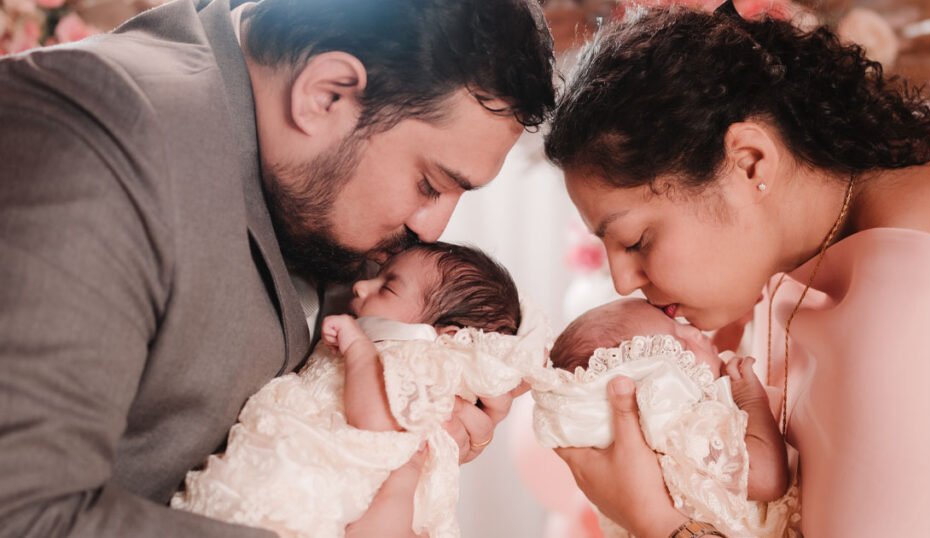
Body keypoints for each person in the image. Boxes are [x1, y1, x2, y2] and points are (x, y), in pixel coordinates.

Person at [0, 0, 555, 535]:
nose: (432, 228)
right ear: (325, 94)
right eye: (430, 184)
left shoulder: (322, 186)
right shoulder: (94, 138)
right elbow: (23, 514)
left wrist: (406, 431)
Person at [543, 2, 930, 537]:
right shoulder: (831, 250)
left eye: (635, 240)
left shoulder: (914, 293)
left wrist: (655, 522)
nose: (621, 282)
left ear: (750, 161)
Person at [173, 242, 543, 537]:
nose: (363, 286)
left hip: (326, 490)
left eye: (389, 286)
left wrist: (358, 350)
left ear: (442, 336)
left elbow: (376, 426)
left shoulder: (416, 361)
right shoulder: (384, 344)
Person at [537, 298, 797, 537]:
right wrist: (752, 400)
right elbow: (767, 479)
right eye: (681, 345)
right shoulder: (681, 434)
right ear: (653, 391)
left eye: (680, 326)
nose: (695, 332)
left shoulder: (668, 440)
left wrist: (732, 328)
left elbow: (706, 378)